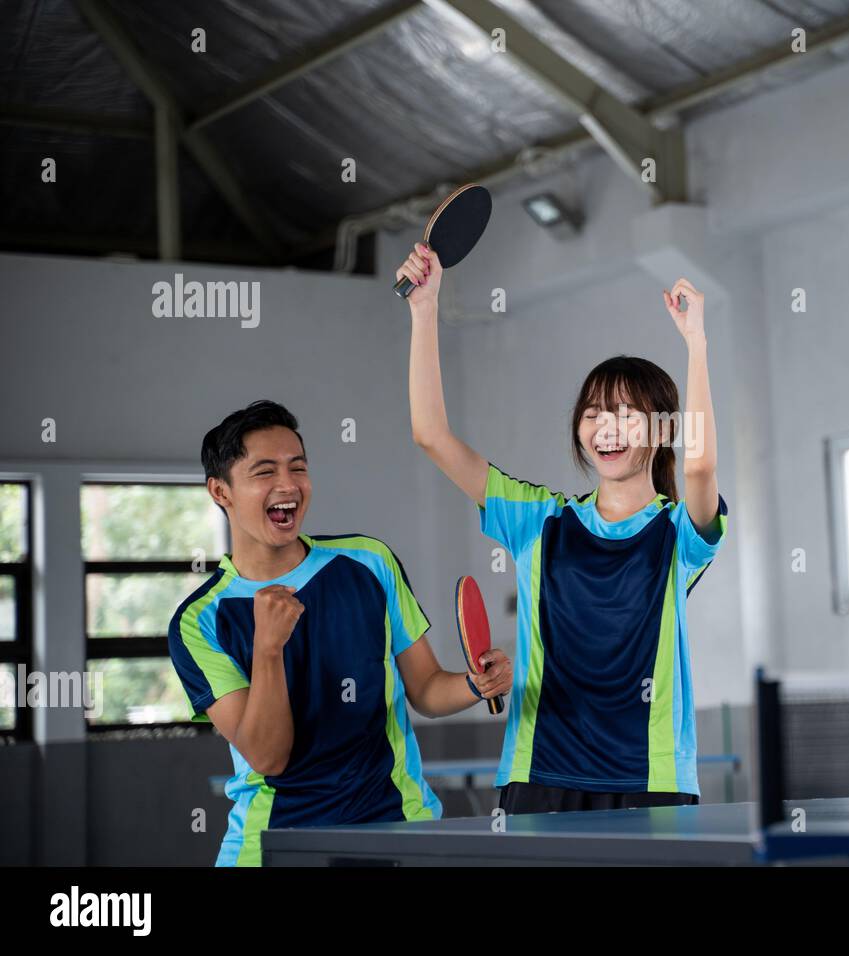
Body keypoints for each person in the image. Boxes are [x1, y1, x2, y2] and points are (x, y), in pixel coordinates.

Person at [399, 242, 727, 814]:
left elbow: (699, 465)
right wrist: (425, 309)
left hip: (650, 782)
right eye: (595, 411)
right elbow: (432, 435)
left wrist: (696, 343)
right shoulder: (538, 520)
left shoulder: (680, 534)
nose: (608, 426)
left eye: (628, 413)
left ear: (662, 430)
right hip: (539, 773)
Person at [168, 400, 511, 865]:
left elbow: (427, 689)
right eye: (264, 472)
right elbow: (269, 758)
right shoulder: (199, 621)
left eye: (298, 468)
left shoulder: (368, 562)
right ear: (221, 491)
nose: (288, 485)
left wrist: (475, 683)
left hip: (399, 828)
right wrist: (268, 651)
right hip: (274, 844)